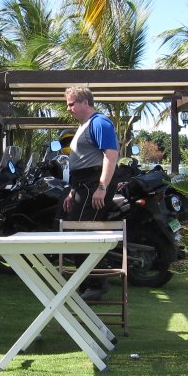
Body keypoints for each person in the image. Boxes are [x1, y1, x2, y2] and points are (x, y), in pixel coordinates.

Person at [61, 86, 119, 301]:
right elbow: (80, 164)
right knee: (75, 232)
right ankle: (86, 283)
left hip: (94, 184)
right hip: (82, 185)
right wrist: (72, 191)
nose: (69, 108)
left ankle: (96, 284)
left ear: (85, 102)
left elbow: (111, 156)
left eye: (71, 103)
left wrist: (101, 187)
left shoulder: (99, 123)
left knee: (84, 233)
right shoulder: (84, 126)